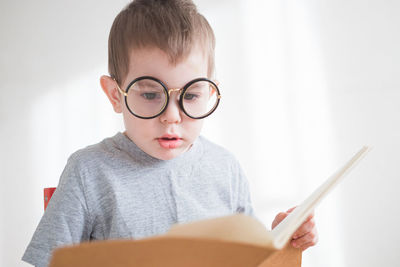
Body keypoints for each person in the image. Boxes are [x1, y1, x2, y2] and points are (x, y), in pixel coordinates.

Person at [22, 0, 317, 266]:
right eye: (151, 95)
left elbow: (247, 258)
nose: (172, 117)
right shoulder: (88, 172)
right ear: (115, 95)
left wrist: (279, 240)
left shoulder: (225, 168)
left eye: (190, 96)